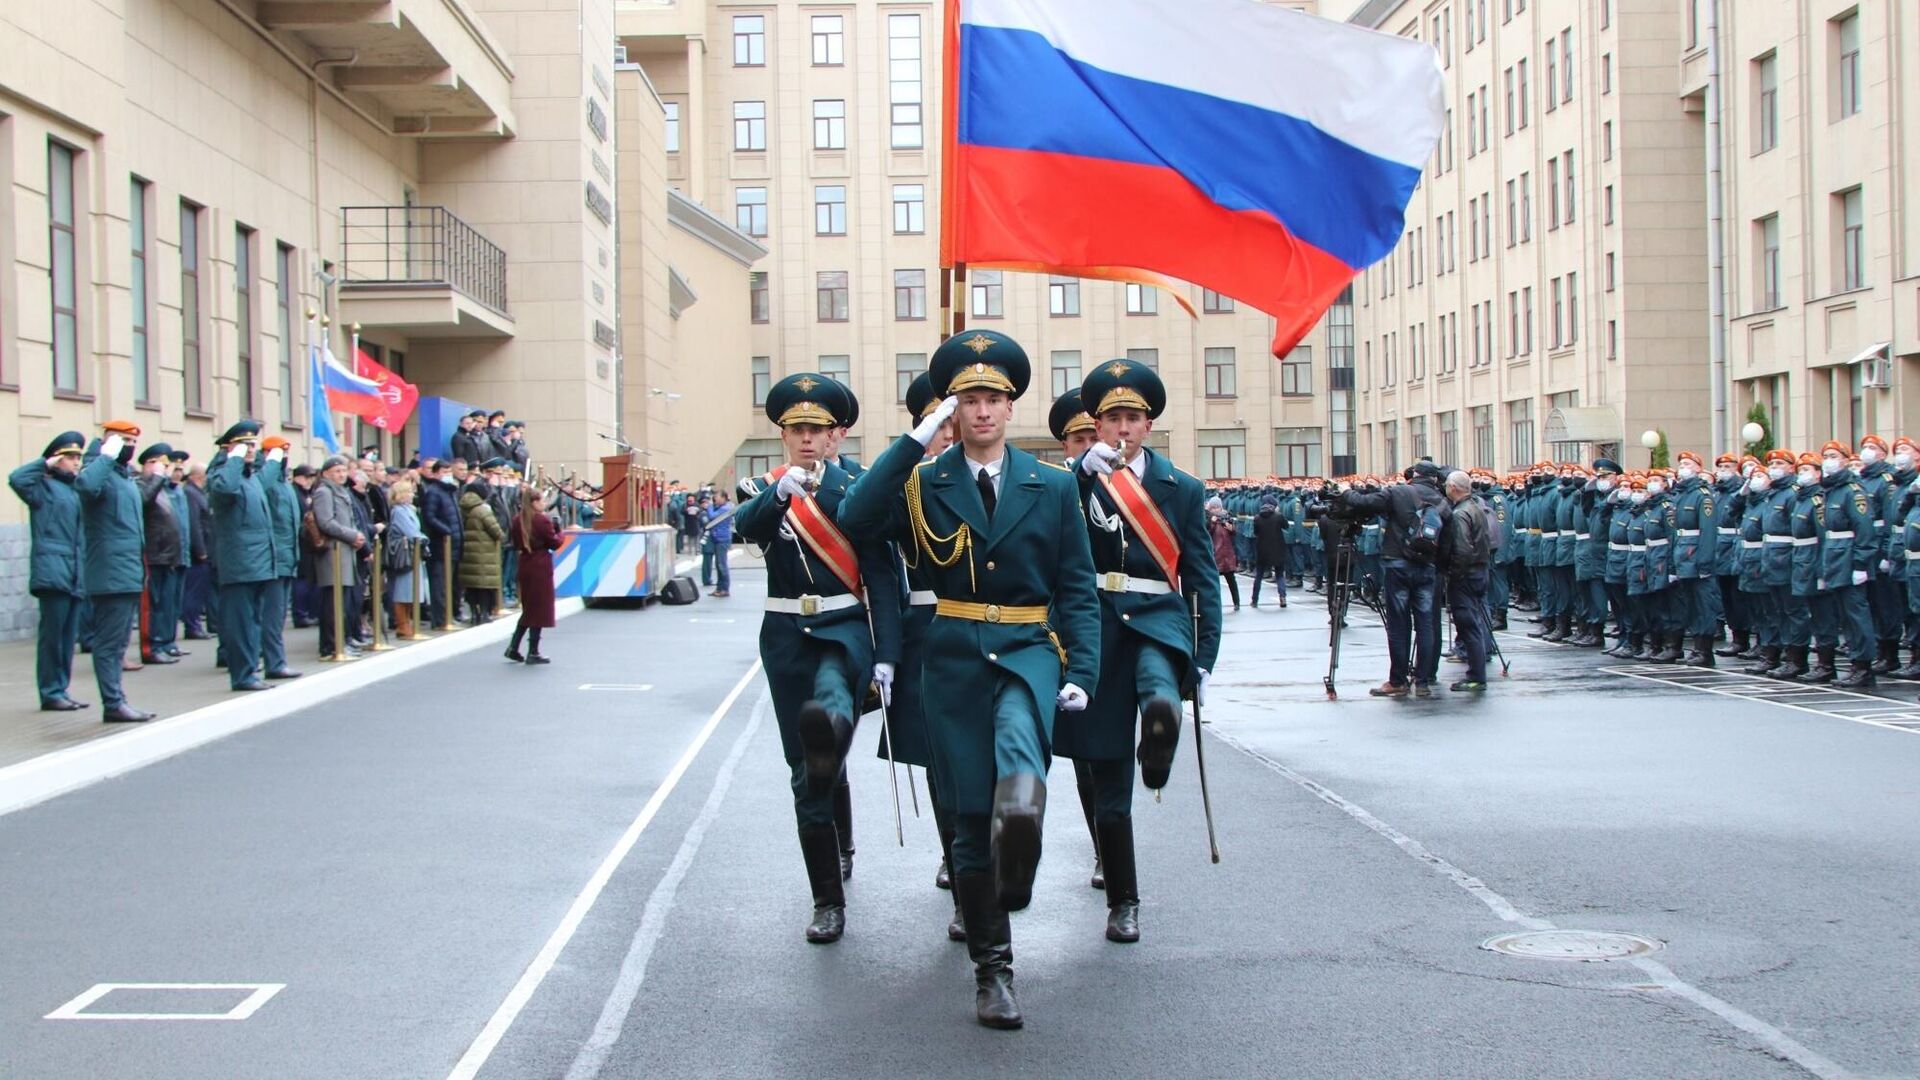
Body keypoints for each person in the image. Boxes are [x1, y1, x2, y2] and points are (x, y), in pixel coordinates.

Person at [839, 330, 1098, 1029]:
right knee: (964, 821)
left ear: (1010, 407)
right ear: (953, 411)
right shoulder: (924, 482)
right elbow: (856, 515)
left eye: (992, 398)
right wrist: (913, 441)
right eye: (968, 400)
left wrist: (1085, 667)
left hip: (1026, 647)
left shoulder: (1053, 485)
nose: (982, 411)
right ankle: (994, 972)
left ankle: (1021, 823)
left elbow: (1076, 587)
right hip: (951, 659)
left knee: (1020, 757)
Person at [734, 373, 903, 948]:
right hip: (785, 633)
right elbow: (745, 529)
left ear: (838, 435)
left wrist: (887, 654)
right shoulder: (763, 487)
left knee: (830, 707)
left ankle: (839, 864)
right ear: (783, 435)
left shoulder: (858, 487)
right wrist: (779, 495)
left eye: (817, 430)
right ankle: (827, 894)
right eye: (796, 430)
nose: (806, 440)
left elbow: (881, 576)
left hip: (844, 628)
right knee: (807, 768)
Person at [1068, 358, 1222, 945]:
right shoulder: (1076, 482)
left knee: (1160, 692)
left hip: (1158, 620)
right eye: (1112, 420)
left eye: (1133, 418)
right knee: (1109, 785)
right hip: (1098, 630)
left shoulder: (1179, 488)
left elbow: (1202, 577)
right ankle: (1123, 901)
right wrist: (1081, 476)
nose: (1122, 430)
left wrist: (1204, 658)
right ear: (1098, 426)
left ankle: (1159, 738)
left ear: (1148, 425)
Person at [1341, 462, 1451, 697]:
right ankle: (1423, 681)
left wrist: (1345, 491)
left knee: (1399, 624)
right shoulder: (1443, 500)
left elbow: (1363, 503)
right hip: (1427, 566)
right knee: (1426, 624)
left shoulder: (1399, 492)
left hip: (1399, 563)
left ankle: (1398, 680)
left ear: (1414, 476)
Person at [76, 421, 155, 722]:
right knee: (108, 644)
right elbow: (84, 487)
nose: (130, 446)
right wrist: (104, 456)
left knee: (119, 642)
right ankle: (112, 703)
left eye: (133, 441)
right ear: (108, 442)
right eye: (123, 440)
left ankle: (117, 699)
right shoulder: (99, 472)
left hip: (128, 573)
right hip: (109, 574)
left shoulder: (124, 478)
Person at [12, 432, 90, 710]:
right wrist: (44, 463)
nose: (76, 462)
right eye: (70, 457)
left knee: (68, 638)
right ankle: (50, 691)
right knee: (52, 638)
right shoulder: (41, 487)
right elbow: (16, 478)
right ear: (56, 459)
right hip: (53, 570)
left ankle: (62, 688)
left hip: (74, 572)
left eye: (79, 457)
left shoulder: (75, 489)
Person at [205, 421, 278, 691]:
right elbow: (224, 489)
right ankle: (242, 674)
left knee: (252, 621)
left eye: (252, 445)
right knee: (239, 623)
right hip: (240, 564)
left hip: (258, 562)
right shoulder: (223, 475)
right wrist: (232, 459)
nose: (250, 450)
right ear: (229, 449)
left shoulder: (249, 478)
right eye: (244, 446)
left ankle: (249, 671)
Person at [255, 437, 302, 680]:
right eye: (276, 454)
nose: (283, 458)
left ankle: (274, 659)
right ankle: (273, 661)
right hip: (272, 557)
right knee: (271, 616)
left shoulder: (284, 482)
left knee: (278, 615)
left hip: (286, 556)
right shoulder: (266, 480)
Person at [135, 443, 187, 664]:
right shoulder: (141, 485)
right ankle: (151, 646)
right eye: (159, 464)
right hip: (153, 555)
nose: (163, 470)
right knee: (152, 605)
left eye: (165, 465)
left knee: (166, 604)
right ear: (147, 464)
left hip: (168, 556)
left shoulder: (162, 488)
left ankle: (164, 642)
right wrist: (156, 478)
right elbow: (143, 503)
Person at [1442, 471, 1493, 691]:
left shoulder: (1460, 514)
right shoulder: (1476, 507)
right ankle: (1476, 673)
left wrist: (1454, 573)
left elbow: (1462, 549)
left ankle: (1476, 676)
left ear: (1453, 487)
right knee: (1474, 623)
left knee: (1469, 625)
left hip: (1467, 575)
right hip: (1479, 570)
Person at [310, 456, 366, 657]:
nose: (341, 475)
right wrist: (352, 535)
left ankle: (340, 642)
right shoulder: (324, 492)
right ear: (325, 474)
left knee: (341, 602)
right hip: (333, 553)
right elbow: (326, 522)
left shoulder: (340, 491)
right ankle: (331, 646)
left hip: (344, 551)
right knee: (332, 603)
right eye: (336, 472)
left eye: (343, 471)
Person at [506, 488, 562, 663]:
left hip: (525, 563)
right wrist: (559, 532)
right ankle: (533, 651)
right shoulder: (541, 521)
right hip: (540, 565)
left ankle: (514, 647)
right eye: (541, 501)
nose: (544, 504)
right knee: (538, 609)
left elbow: (515, 542)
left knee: (529, 608)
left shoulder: (517, 520)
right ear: (534, 503)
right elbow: (554, 543)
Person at [417, 459, 462, 629]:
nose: (447, 475)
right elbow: (430, 517)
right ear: (435, 474)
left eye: (449, 472)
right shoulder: (434, 492)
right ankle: (441, 619)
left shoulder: (450, 491)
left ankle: (448, 615)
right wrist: (447, 531)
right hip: (441, 545)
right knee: (440, 584)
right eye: (444, 472)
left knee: (449, 583)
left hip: (453, 546)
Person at [459, 478, 506, 623]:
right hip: (485, 552)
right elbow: (496, 531)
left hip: (468, 552)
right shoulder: (482, 509)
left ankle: (474, 614)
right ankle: (485, 613)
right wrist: (502, 536)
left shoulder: (462, 506)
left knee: (472, 585)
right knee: (485, 585)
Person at [386, 479, 426, 641]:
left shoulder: (409, 509)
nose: (412, 494)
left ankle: (408, 622)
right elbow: (411, 531)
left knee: (411, 590)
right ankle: (402, 624)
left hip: (413, 551)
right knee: (403, 590)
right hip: (405, 554)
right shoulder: (399, 511)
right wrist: (424, 539)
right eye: (409, 491)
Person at [180, 463, 215, 640]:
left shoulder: (197, 493)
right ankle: (192, 626)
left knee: (200, 591)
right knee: (193, 592)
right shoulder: (190, 493)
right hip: (198, 553)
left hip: (205, 549)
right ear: (198, 477)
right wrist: (200, 550)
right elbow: (195, 524)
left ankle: (195, 625)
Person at [1251, 493, 1289, 609]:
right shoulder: (1278, 516)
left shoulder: (1257, 518)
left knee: (1259, 576)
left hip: (1262, 550)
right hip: (1277, 549)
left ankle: (1255, 599)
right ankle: (1282, 597)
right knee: (1279, 575)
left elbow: (1256, 533)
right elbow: (1286, 526)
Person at [1207, 496, 1241, 611]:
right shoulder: (1209, 519)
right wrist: (1212, 523)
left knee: (1231, 580)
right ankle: (1216, 604)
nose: (1215, 510)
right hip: (1216, 554)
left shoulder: (1227, 517)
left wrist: (1231, 528)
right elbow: (1207, 533)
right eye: (1213, 508)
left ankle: (1237, 602)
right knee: (1214, 583)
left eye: (1217, 507)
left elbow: (1234, 533)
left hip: (1227, 554)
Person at [703, 489, 734, 597]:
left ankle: (724, 588)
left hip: (722, 539)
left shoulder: (725, 508)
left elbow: (712, 516)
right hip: (718, 538)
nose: (715, 499)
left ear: (724, 498)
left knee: (722, 564)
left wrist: (710, 506)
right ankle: (719, 588)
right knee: (718, 564)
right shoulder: (722, 507)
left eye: (717, 496)